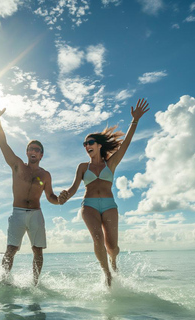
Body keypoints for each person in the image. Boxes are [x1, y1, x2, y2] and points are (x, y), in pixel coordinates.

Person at [60, 98, 149, 286]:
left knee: (113, 247)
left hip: (109, 205)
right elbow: (74, 187)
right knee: (98, 239)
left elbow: (125, 144)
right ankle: (107, 274)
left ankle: (113, 262)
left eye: (90, 142)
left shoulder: (111, 164)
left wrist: (135, 121)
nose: (86, 146)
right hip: (89, 205)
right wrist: (66, 194)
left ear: (99, 145)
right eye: (84, 143)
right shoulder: (83, 167)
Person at [0, 97, 64, 286]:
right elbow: (2, 143)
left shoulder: (45, 175)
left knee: (38, 250)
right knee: (11, 249)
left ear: (41, 154)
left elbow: (50, 197)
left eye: (36, 149)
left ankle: (35, 284)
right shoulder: (18, 166)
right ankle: (3, 282)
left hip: (37, 214)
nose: (32, 151)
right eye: (30, 149)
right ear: (27, 152)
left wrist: (60, 200)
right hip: (18, 212)